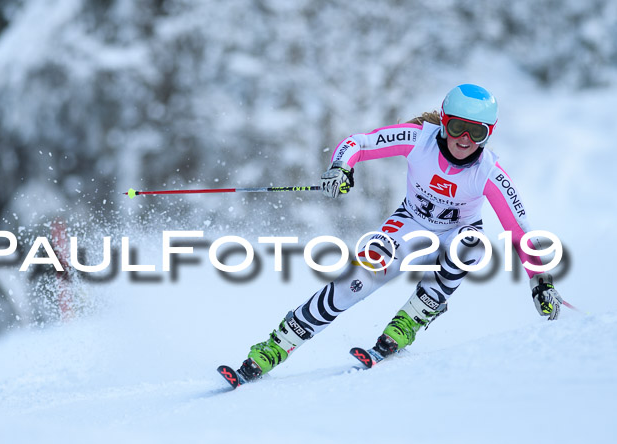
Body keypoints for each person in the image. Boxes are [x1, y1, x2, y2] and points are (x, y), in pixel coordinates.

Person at [233, 84, 563, 382]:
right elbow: (358, 143)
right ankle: (277, 346)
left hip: (457, 233)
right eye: (457, 127)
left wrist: (541, 280)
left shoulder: (489, 172)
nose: (464, 139)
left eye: (476, 132)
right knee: (358, 279)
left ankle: (409, 322)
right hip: (410, 225)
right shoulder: (418, 138)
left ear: (488, 133)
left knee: (470, 245)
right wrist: (340, 167)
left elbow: (519, 230)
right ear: (444, 122)